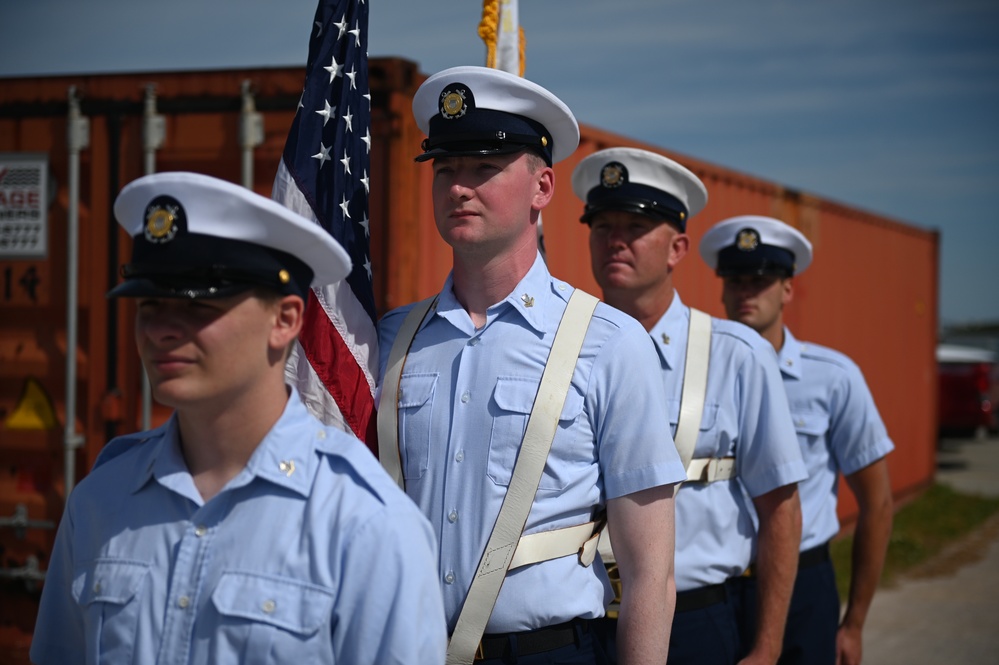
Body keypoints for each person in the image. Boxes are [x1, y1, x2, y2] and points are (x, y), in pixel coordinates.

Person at [30, 172, 447, 665]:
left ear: (286, 319)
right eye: (149, 305)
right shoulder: (99, 502)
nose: (163, 330)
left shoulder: (365, 523)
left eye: (198, 305)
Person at [376, 66, 686, 664]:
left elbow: (650, 574)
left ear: (543, 187)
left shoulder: (609, 343)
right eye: (445, 169)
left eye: (484, 168)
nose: (458, 188)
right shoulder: (393, 339)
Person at [573, 147, 808, 665]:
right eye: (602, 225)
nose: (615, 240)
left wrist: (766, 647)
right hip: (580, 626)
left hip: (695, 626)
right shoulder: (565, 348)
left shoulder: (737, 354)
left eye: (635, 226)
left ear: (678, 248)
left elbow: (782, 511)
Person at [700, 215, 894, 665]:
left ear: (787, 288)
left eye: (761, 279)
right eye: (735, 279)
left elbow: (878, 504)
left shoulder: (832, 378)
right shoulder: (698, 376)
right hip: (722, 589)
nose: (746, 290)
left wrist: (855, 622)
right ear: (722, 287)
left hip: (804, 586)